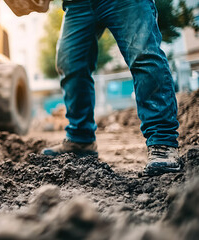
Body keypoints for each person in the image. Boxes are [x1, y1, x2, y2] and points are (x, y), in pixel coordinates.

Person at [41, 0, 181, 176]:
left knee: (143, 55)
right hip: (77, 4)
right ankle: (80, 139)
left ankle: (162, 142)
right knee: (70, 65)